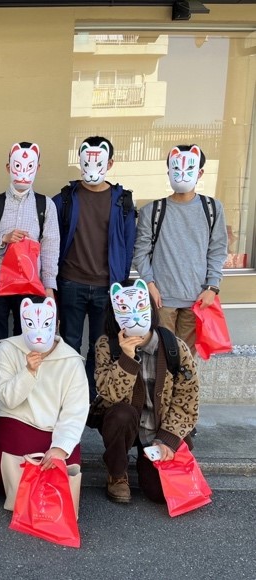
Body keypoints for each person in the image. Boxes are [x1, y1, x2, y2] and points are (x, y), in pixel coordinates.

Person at [93, 279, 200, 504]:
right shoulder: (106, 346)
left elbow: (187, 400)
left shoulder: (174, 347)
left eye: (139, 307)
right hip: (125, 425)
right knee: (120, 414)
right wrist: (127, 358)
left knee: (160, 493)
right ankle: (117, 472)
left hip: (158, 428)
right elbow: (109, 395)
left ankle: (147, 461)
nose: (133, 316)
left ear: (150, 309)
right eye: (124, 309)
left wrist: (168, 439)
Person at [52, 136, 136, 401]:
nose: (92, 166)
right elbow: (51, 240)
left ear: (110, 163)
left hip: (106, 288)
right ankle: (68, 394)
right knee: (69, 344)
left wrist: (120, 285)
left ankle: (91, 395)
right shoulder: (65, 199)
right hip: (71, 283)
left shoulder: (122, 202)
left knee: (100, 347)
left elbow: (130, 244)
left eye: (100, 161)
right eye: (86, 160)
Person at [133, 145, 227, 356]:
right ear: (168, 171)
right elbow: (140, 251)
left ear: (200, 172)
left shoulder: (212, 208)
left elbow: (218, 249)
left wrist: (212, 287)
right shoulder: (153, 211)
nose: (182, 174)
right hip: (162, 299)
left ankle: (182, 391)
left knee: (186, 360)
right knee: (160, 356)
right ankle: (161, 391)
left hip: (198, 299)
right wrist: (149, 283)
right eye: (175, 169)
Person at [0, 142, 59, 392]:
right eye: (17, 165)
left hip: (31, 284)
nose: (23, 171)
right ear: (8, 167)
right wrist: (2, 240)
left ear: (37, 167)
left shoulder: (45, 205)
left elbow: (50, 247)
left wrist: (49, 286)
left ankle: (25, 393)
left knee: (28, 341)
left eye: (29, 166)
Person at [0, 297, 89, 491]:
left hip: (55, 428)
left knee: (61, 478)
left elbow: (76, 409)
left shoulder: (72, 360)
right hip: (18, 420)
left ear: (57, 324)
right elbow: (7, 399)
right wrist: (28, 372)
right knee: (11, 479)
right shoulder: (8, 349)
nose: (38, 332)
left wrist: (60, 447)